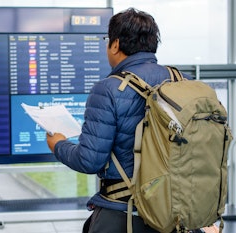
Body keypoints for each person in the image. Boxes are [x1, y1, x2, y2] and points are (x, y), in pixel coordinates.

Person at [46, 7, 189, 233]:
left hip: (126, 213)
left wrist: (58, 145)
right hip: (178, 211)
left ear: (115, 44)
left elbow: (89, 160)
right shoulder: (182, 82)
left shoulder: (109, 89)